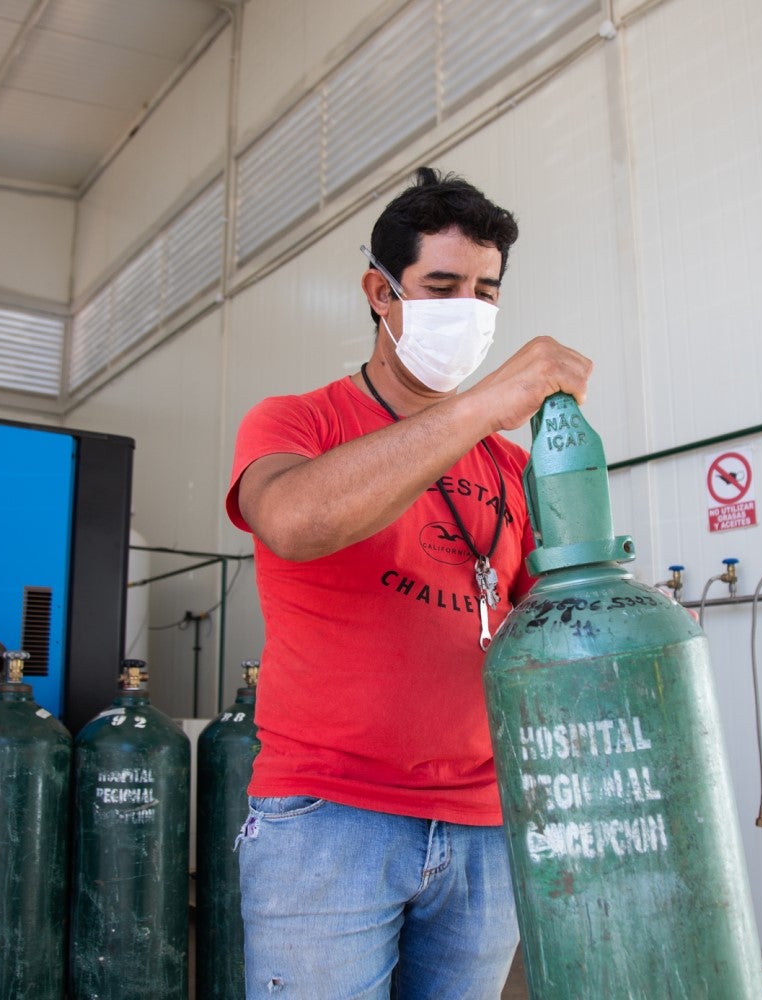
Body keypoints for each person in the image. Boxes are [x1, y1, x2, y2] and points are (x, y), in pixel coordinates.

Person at [225, 167, 592, 1000]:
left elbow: (543, 627)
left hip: (484, 827)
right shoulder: (297, 421)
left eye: (487, 291)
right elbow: (293, 519)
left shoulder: (511, 465)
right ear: (380, 294)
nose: (471, 310)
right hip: (330, 817)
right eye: (442, 285)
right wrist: (475, 409)